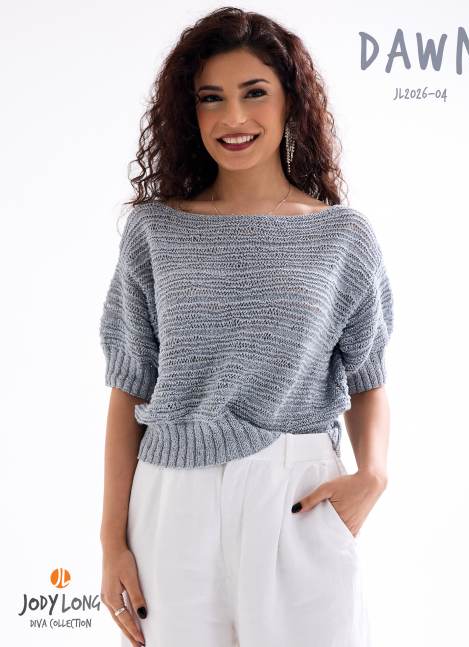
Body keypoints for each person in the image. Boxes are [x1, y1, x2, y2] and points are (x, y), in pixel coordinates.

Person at [98, 7, 394, 647]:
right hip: (173, 505)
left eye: (254, 92)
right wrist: (110, 542)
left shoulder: (342, 237)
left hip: (299, 496)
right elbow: (129, 388)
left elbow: (368, 379)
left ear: (291, 102)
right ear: (190, 112)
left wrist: (373, 474)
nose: (233, 117)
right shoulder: (155, 231)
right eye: (211, 98)